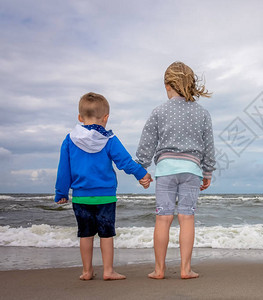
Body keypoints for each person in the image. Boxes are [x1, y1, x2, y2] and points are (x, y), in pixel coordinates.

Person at [55, 92, 152, 281]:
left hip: (81, 197)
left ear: (80, 118)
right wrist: (142, 175)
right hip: (106, 196)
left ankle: (87, 271)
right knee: (107, 234)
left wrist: (61, 192)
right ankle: (108, 271)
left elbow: (63, 169)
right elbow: (124, 161)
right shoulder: (109, 139)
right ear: (106, 117)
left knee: (85, 234)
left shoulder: (69, 140)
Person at [136, 61, 215, 279]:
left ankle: (159, 270)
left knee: (163, 218)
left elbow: (147, 143)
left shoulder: (159, 111)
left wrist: (142, 168)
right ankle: (185, 269)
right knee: (187, 217)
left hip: (166, 170)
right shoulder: (202, 113)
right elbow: (209, 147)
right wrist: (207, 173)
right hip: (191, 170)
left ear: (168, 85)